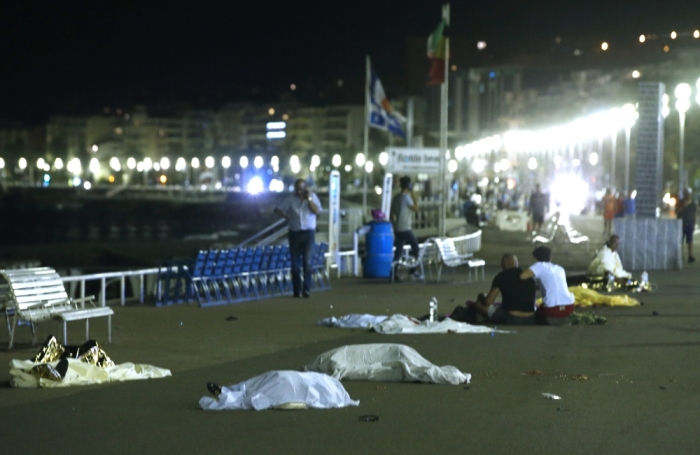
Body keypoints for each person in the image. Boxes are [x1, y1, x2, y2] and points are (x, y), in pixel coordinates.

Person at [274, 179, 322, 297]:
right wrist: (286, 217)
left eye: (301, 188)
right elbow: (277, 209)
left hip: (309, 233)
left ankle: (306, 289)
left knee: (307, 262)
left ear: (305, 188)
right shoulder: (290, 199)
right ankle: (297, 289)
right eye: (297, 189)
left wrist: (309, 199)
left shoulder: (312, 197)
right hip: (294, 233)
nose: (299, 191)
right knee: (295, 265)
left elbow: (317, 211)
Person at [469, 254, 537, 325]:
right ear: (516, 263)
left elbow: (488, 302)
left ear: (505, 263)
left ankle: (483, 320)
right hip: (530, 319)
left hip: (511, 318)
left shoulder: (501, 276)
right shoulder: (529, 277)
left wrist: (481, 296)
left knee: (479, 304)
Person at [520, 246, 575, 325]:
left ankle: (551, 320)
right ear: (550, 257)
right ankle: (561, 318)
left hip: (553, 310)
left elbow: (522, 276)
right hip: (569, 307)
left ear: (536, 257)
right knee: (544, 305)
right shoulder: (559, 268)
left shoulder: (539, 265)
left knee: (536, 314)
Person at [390, 176, 420, 280]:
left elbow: (391, 214)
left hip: (397, 228)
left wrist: (394, 224)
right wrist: (413, 193)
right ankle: (412, 271)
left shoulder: (396, 198)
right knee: (416, 249)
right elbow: (416, 208)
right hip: (405, 228)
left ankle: (393, 273)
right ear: (408, 186)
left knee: (398, 252)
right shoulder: (406, 198)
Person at [676, 188, 697, 263]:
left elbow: (694, 215)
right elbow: (677, 212)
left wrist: (694, 224)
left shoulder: (693, 204)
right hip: (681, 224)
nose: (687, 195)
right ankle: (680, 256)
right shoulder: (680, 202)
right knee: (680, 241)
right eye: (686, 193)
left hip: (689, 224)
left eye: (688, 193)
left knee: (690, 241)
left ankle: (690, 255)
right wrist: (683, 206)